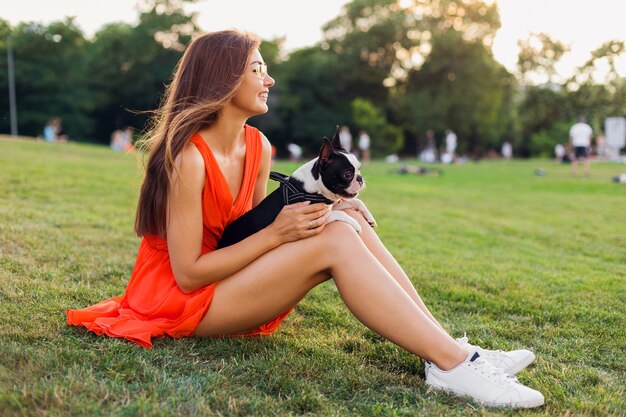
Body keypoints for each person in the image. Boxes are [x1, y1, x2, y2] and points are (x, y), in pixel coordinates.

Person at [66, 30, 544, 409]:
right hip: (178, 299)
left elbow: (251, 230)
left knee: (344, 220)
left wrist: (329, 208)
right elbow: (189, 272)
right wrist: (282, 231)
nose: (269, 79)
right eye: (257, 69)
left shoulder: (258, 146)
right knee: (335, 237)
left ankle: (452, 353)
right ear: (221, 80)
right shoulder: (188, 158)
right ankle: (452, 363)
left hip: (228, 283)